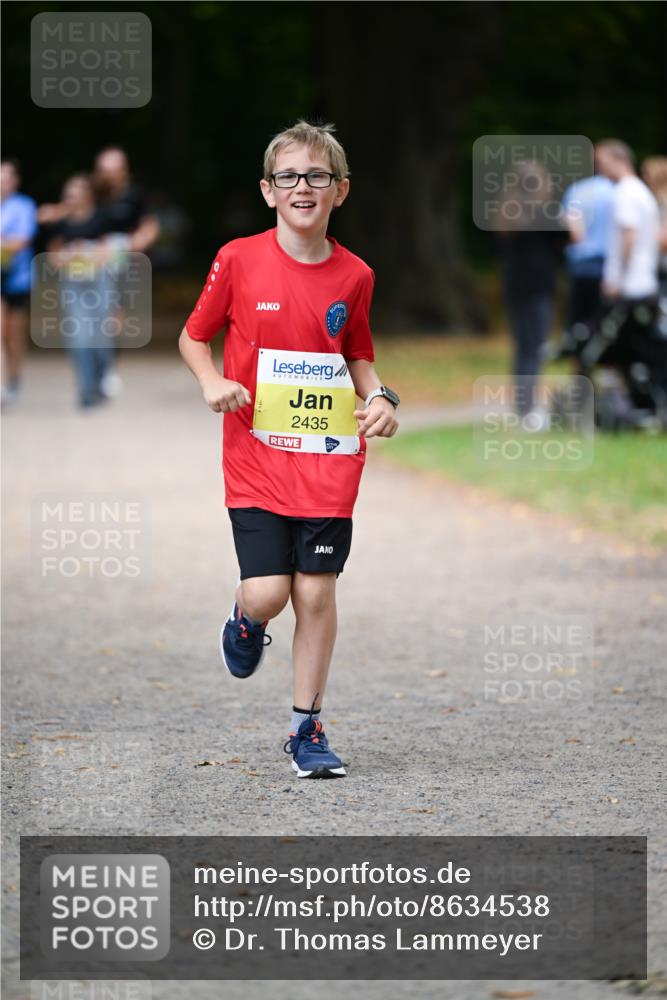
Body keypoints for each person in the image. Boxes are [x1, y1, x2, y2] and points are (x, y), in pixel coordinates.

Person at [178, 121, 399, 778]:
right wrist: (213, 380)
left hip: (329, 458)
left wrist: (382, 396)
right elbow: (194, 337)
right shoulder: (238, 258)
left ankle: (307, 727)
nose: (303, 187)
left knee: (317, 594)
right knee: (270, 591)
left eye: (317, 176)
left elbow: (356, 352)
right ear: (268, 191)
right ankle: (245, 620)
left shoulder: (355, 273)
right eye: (289, 177)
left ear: (340, 190)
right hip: (256, 454)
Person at [497, 160, 567, 424]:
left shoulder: (506, 211)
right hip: (538, 287)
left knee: (523, 347)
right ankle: (529, 411)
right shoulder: (545, 214)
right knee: (535, 348)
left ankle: (522, 407)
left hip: (515, 286)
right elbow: (570, 238)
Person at [47, 174, 116, 408]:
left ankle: (101, 378)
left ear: (87, 196)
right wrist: (67, 255)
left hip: (99, 283)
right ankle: (85, 389)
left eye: (76, 194)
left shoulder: (101, 218)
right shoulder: (62, 223)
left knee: (100, 337)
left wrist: (88, 252)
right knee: (78, 337)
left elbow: (109, 252)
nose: (71, 199)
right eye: (68, 194)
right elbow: (53, 255)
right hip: (73, 285)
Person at [560, 148, 615, 358]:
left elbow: (574, 232)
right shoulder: (617, 191)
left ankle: (580, 374)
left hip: (580, 266)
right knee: (606, 324)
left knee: (578, 323)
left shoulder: (577, 191)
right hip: (608, 267)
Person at [1, 159, 37, 406]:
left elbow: (22, 240)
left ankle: (14, 379)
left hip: (16, 278)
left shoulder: (24, 206)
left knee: (13, 335)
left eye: (6, 178)